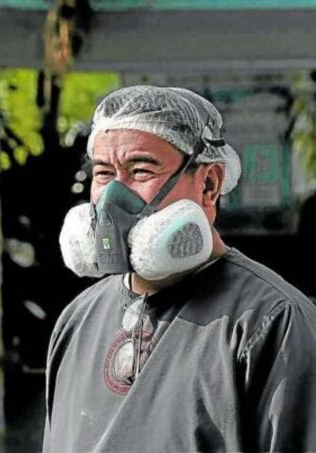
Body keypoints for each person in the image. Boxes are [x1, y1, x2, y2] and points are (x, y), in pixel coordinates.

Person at [45, 85, 316, 452]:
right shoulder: (78, 319)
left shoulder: (272, 322)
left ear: (209, 184)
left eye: (140, 170)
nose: (112, 199)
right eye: (104, 174)